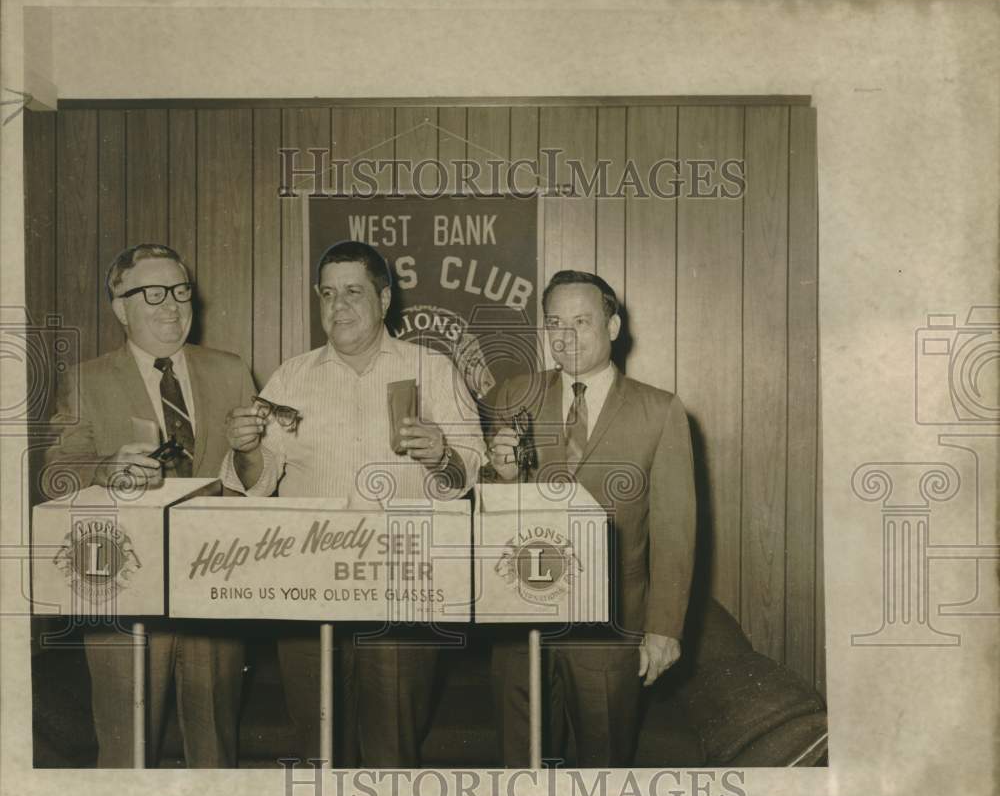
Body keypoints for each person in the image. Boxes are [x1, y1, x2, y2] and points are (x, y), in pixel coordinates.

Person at [220, 239, 483, 766]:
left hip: (404, 584)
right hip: (306, 584)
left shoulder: (433, 369)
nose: (337, 307)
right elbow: (257, 481)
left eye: (353, 293)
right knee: (318, 749)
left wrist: (441, 454)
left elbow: (471, 476)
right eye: (327, 293)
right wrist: (245, 449)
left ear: (384, 299)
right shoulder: (291, 377)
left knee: (393, 751)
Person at [43, 243, 256, 767]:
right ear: (120, 307)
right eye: (152, 293)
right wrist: (104, 469)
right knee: (125, 750)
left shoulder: (232, 371)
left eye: (181, 292)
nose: (171, 306)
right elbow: (52, 474)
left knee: (215, 753)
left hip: (214, 583)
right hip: (123, 586)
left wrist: (251, 453)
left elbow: (257, 483)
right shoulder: (86, 380)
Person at [487, 269, 696, 767]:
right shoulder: (513, 394)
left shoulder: (659, 410)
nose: (566, 336)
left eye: (582, 321)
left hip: (612, 630)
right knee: (522, 776)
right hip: (522, 624)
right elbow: (492, 512)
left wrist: (664, 628)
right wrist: (502, 476)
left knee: (602, 775)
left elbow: (675, 530)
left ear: (614, 326)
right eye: (555, 322)